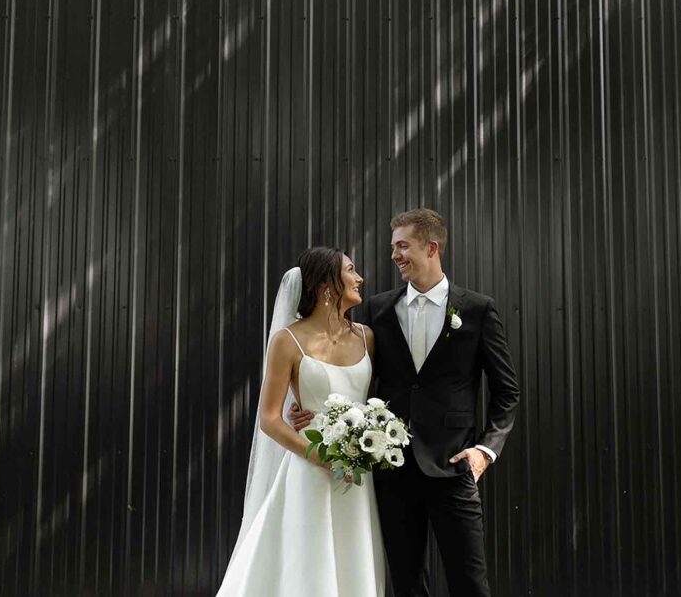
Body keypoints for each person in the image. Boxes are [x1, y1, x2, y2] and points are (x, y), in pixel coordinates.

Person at [290, 208, 521, 596]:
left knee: (470, 584)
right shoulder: (379, 310)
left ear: (431, 248)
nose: (395, 256)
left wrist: (484, 450)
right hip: (390, 470)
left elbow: (507, 391)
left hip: (453, 467)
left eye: (402, 246)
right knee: (406, 582)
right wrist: (307, 405)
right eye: (393, 247)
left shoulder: (477, 309)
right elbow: (353, 376)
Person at [217, 247, 386, 596]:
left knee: (355, 558)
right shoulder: (287, 341)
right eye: (351, 271)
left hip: (357, 474)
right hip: (311, 468)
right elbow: (268, 419)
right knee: (309, 563)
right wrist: (316, 454)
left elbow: (374, 401)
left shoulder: (366, 337)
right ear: (327, 285)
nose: (360, 278)